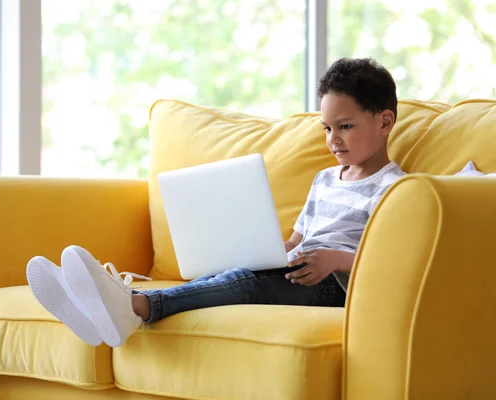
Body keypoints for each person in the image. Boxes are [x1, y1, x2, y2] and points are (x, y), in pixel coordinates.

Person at [26, 58, 406, 347]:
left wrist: (336, 259)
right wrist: (271, 250)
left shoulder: (396, 187)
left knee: (244, 284)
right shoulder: (324, 180)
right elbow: (296, 240)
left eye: (345, 126)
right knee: (231, 275)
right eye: (326, 128)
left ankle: (136, 304)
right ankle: (104, 308)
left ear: (384, 122)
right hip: (298, 271)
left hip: (332, 288)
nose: (333, 139)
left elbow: (394, 263)